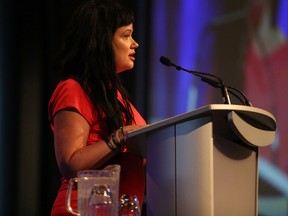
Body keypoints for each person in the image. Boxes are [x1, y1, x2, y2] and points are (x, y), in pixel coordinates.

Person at [48, 0, 147, 215]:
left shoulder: (115, 95)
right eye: (126, 35)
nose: (135, 43)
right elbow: (71, 163)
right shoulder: (73, 89)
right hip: (82, 210)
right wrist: (120, 136)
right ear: (102, 40)